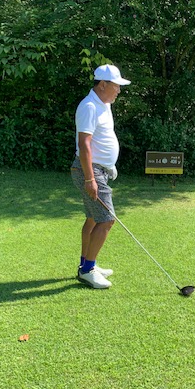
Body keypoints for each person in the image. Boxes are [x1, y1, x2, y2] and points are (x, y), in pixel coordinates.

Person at [71, 64, 131, 289]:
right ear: (103, 84)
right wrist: (90, 179)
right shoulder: (89, 107)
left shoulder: (104, 104)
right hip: (90, 171)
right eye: (116, 86)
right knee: (107, 220)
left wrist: (109, 165)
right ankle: (87, 270)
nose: (119, 90)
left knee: (93, 219)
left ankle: (87, 265)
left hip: (100, 170)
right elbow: (84, 144)